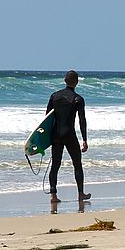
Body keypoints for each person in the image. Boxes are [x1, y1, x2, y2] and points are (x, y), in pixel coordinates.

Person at [47, 69, 91, 203]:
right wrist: (84, 139)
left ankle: (53, 196)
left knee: (55, 165)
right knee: (77, 164)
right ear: (76, 82)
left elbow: (47, 118)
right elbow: (82, 120)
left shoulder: (54, 96)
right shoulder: (78, 99)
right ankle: (80, 194)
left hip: (55, 135)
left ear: (65, 80)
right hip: (69, 134)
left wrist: (46, 138)